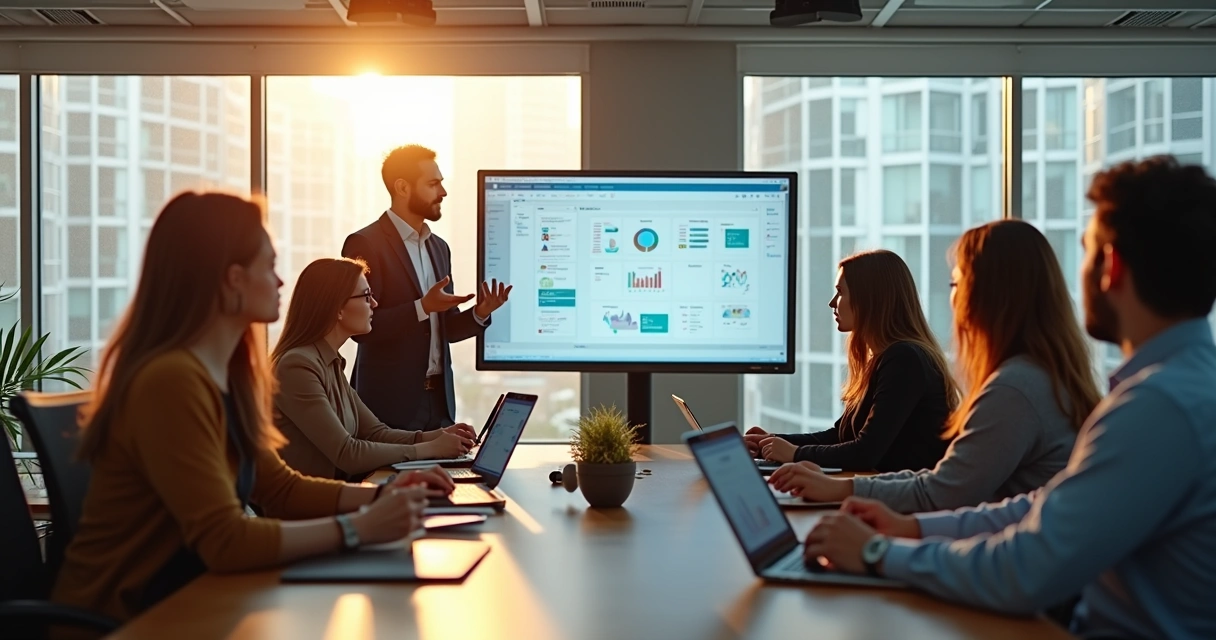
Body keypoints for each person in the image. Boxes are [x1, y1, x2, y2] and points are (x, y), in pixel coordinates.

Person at [803, 156, 1216, 640]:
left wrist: (877, 553)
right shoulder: (1180, 387)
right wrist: (910, 531)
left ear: (1112, 266)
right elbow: (1041, 508)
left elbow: (1027, 568)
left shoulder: (1157, 408)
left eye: (1085, 250)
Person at [51, 192, 455, 625]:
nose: (281, 282)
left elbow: (278, 489)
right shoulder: (171, 380)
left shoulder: (230, 375)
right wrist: (360, 528)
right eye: (269, 266)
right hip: (133, 617)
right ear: (233, 280)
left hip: (191, 598)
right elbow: (224, 540)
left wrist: (383, 495)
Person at [769, 220, 1100, 512]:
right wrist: (779, 445)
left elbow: (942, 492)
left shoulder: (1013, 389)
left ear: (984, 296)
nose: (951, 298)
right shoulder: (1038, 379)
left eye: (956, 284)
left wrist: (843, 495)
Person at [342, 144, 512, 432]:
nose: (443, 192)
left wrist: (480, 312)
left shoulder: (439, 248)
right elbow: (361, 329)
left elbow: (448, 329)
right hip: (387, 408)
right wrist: (422, 307)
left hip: (439, 404)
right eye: (433, 184)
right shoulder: (365, 244)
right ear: (402, 188)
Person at [745, 250, 958, 472]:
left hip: (903, 502)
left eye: (840, 292)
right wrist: (770, 441)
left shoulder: (904, 360)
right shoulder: (885, 358)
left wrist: (795, 453)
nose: (831, 303)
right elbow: (840, 435)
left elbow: (865, 452)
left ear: (869, 299)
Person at [272, 258, 480, 482]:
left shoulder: (328, 362)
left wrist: (436, 435)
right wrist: (430, 449)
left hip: (338, 497)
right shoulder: (297, 366)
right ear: (337, 309)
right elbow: (347, 453)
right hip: (313, 509)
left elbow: (375, 433)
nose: (375, 304)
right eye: (366, 296)